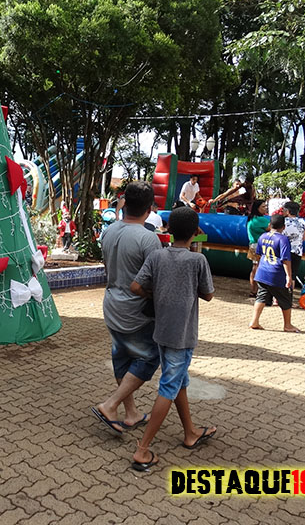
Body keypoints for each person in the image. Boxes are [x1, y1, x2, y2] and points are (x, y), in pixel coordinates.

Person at [129, 207, 216, 472]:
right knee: (169, 386)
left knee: (179, 381)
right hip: (182, 334)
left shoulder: (157, 255)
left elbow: (136, 286)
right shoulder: (197, 261)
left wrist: (156, 295)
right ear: (196, 232)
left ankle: (190, 432)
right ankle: (142, 450)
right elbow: (208, 294)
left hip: (162, 331)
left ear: (168, 230)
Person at [92, 181, 163, 435]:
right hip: (136, 309)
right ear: (149, 209)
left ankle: (131, 413)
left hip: (112, 302)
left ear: (124, 204)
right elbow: (154, 280)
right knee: (150, 357)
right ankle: (110, 405)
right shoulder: (148, 238)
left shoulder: (109, 231)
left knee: (122, 356)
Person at [248, 214, 299, 333]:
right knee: (285, 299)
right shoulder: (283, 239)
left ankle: (254, 321)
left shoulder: (263, 236)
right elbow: (285, 259)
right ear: (284, 227)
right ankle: (287, 325)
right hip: (276, 273)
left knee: (261, 296)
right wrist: (288, 276)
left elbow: (259, 254)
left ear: (269, 225)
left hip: (263, 272)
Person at [246, 199, 270, 297]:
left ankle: (253, 290)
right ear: (257, 208)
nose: (265, 208)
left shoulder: (251, 219)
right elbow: (273, 228)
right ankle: (260, 290)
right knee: (258, 268)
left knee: (255, 267)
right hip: (260, 246)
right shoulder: (262, 220)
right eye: (263, 207)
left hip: (253, 245)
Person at [282, 201, 305, 287]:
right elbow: (304, 238)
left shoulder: (283, 221)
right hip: (297, 251)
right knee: (292, 276)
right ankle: (290, 292)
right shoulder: (302, 222)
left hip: (284, 251)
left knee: (282, 274)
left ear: (287, 211)